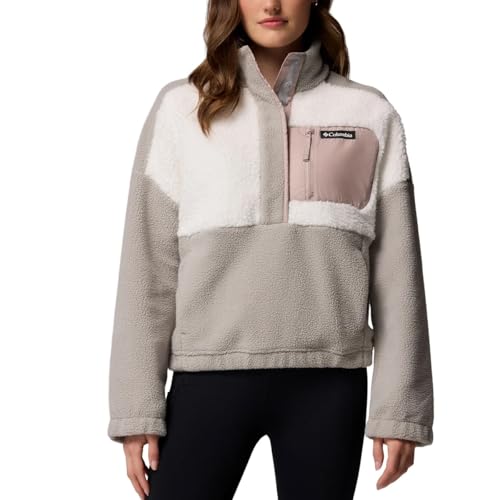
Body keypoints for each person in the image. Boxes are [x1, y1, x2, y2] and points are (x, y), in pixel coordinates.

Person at [107, 1, 434, 498]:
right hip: (206, 378)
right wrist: (136, 407)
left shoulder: (370, 113)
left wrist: (400, 408)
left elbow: (399, 274)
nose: (273, 4)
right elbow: (146, 267)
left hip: (328, 385)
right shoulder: (180, 108)